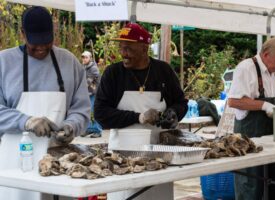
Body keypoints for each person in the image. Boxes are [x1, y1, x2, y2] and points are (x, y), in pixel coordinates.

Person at [0, 6, 90, 200]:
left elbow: (81, 109)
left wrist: (71, 126)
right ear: (23, 33)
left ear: (54, 32)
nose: (41, 48)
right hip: (15, 162)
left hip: (61, 160)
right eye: (35, 43)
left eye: (47, 42)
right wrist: (26, 121)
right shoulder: (4, 62)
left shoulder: (70, 62)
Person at [94, 23, 188, 200]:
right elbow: (101, 114)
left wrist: (174, 113)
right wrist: (138, 117)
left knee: (157, 195)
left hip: (160, 156)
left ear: (144, 48)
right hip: (122, 157)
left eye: (128, 48)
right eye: (121, 47)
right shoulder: (113, 74)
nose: (123, 53)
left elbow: (181, 102)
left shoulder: (163, 71)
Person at [228, 37, 275, 200]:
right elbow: (234, 101)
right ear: (266, 54)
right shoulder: (245, 68)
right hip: (249, 139)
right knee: (251, 185)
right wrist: (264, 105)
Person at [81, 50, 102, 138]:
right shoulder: (84, 67)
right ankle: (89, 129)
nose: (84, 59)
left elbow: (87, 82)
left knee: (94, 111)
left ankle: (98, 131)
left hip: (94, 93)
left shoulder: (93, 68)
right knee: (87, 111)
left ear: (90, 58)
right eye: (83, 57)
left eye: (86, 57)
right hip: (88, 93)